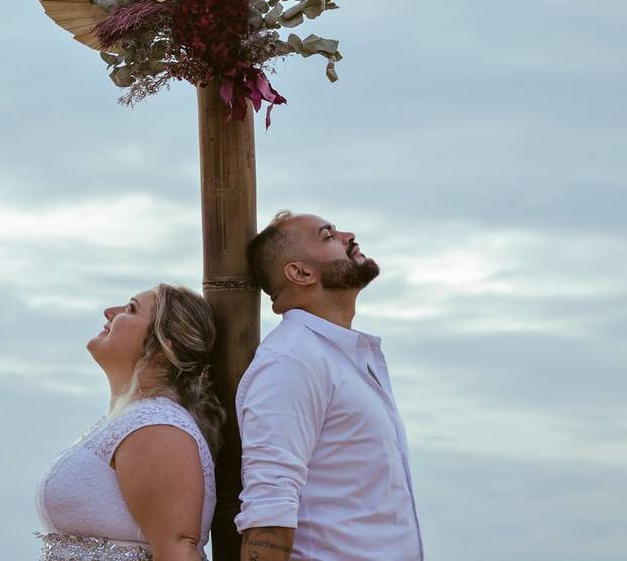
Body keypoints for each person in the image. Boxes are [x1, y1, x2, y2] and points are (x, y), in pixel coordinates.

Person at [235, 211, 424, 561]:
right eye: (328, 236)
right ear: (301, 272)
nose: (349, 235)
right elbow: (270, 504)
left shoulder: (337, 356)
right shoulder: (291, 360)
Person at [35, 283, 226, 561]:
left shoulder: (157, 427)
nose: (109, 312)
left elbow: (177, 548)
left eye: (130, 309)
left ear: (162, 347)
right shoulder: (134, 421)